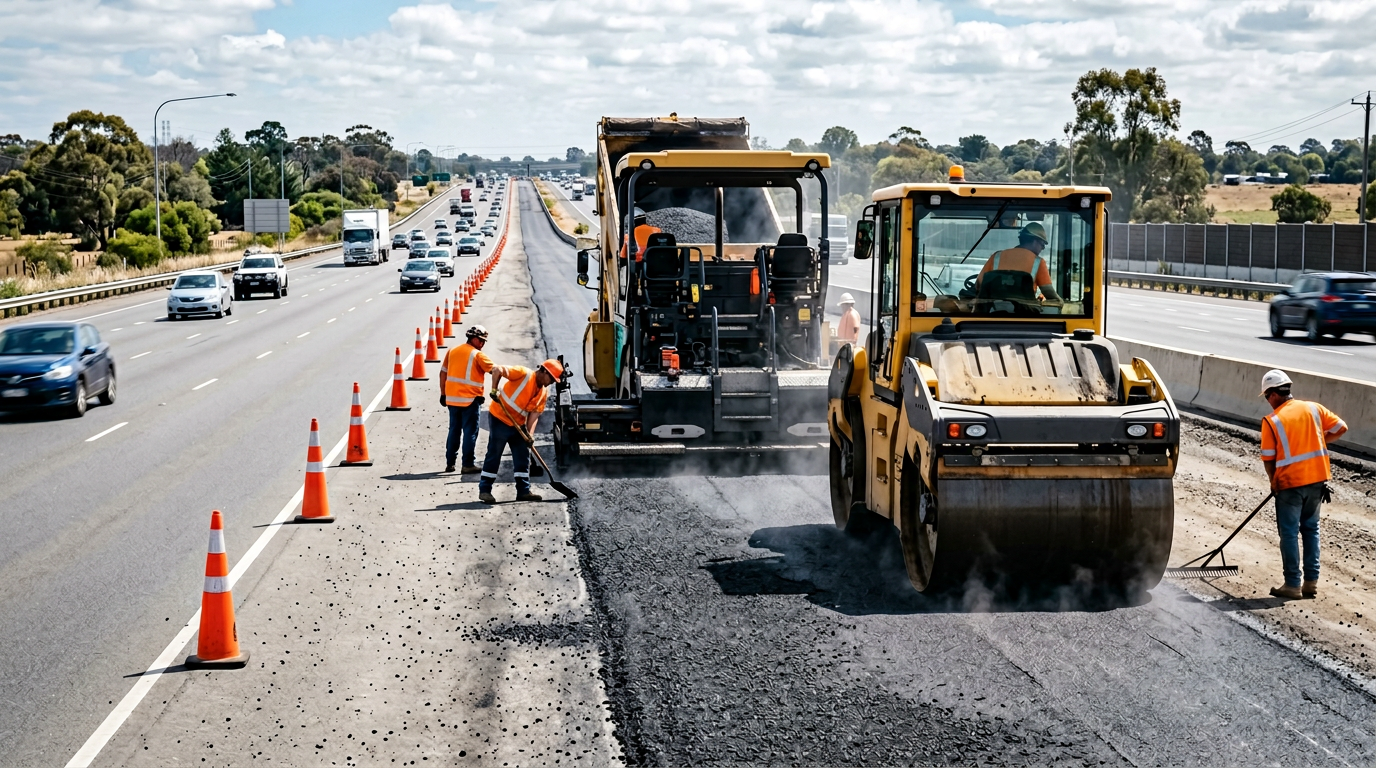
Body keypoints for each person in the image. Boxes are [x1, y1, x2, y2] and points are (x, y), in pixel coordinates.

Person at [1259, 369, 1347, 599]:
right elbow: (1341, 428)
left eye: (1267, 397)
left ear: (1273, 394)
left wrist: (1273, 483)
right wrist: (1316, 440)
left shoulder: (1272, 421)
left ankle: (1292, 584)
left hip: (1290, 483)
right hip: (1318, 479)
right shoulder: (1313, 408)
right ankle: (1311, 583)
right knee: (1311, 530)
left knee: (1289, 533)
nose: (1268, 402)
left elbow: (1269, 458)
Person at [478, 358, 564, 504]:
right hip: (500, 417)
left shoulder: (543, 393)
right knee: (495, 452)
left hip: (518, 424)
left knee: (523, 454)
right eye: (551, 379)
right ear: (543, 371)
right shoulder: (523, 374)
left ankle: (523, 491)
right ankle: (485, 490)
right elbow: (497, 369)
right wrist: (494, 389)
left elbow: (534, 415)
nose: (551, 383)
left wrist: (529, 436)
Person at [439, 325, 503, 474]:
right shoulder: (478, 355)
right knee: (470, 432)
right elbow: (496, 371)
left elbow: (443, 374)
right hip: (470, 400)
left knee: (454, 430)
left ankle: (450, 463)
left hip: (452, 400)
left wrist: (443, 394)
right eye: (481, 341)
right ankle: (467, 464)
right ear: (474, 339)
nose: (482, 344)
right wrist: (495, 389)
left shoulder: (452, 351)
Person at [976, 222, 1061, 302]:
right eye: (1042, 245)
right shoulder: (1038, 262)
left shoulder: (997, 256)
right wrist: (1060, 301)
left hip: (992, 312)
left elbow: (978, 285)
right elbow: (1048, 291)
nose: (1042, 248)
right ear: (1035, 241)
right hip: (1024, 313)